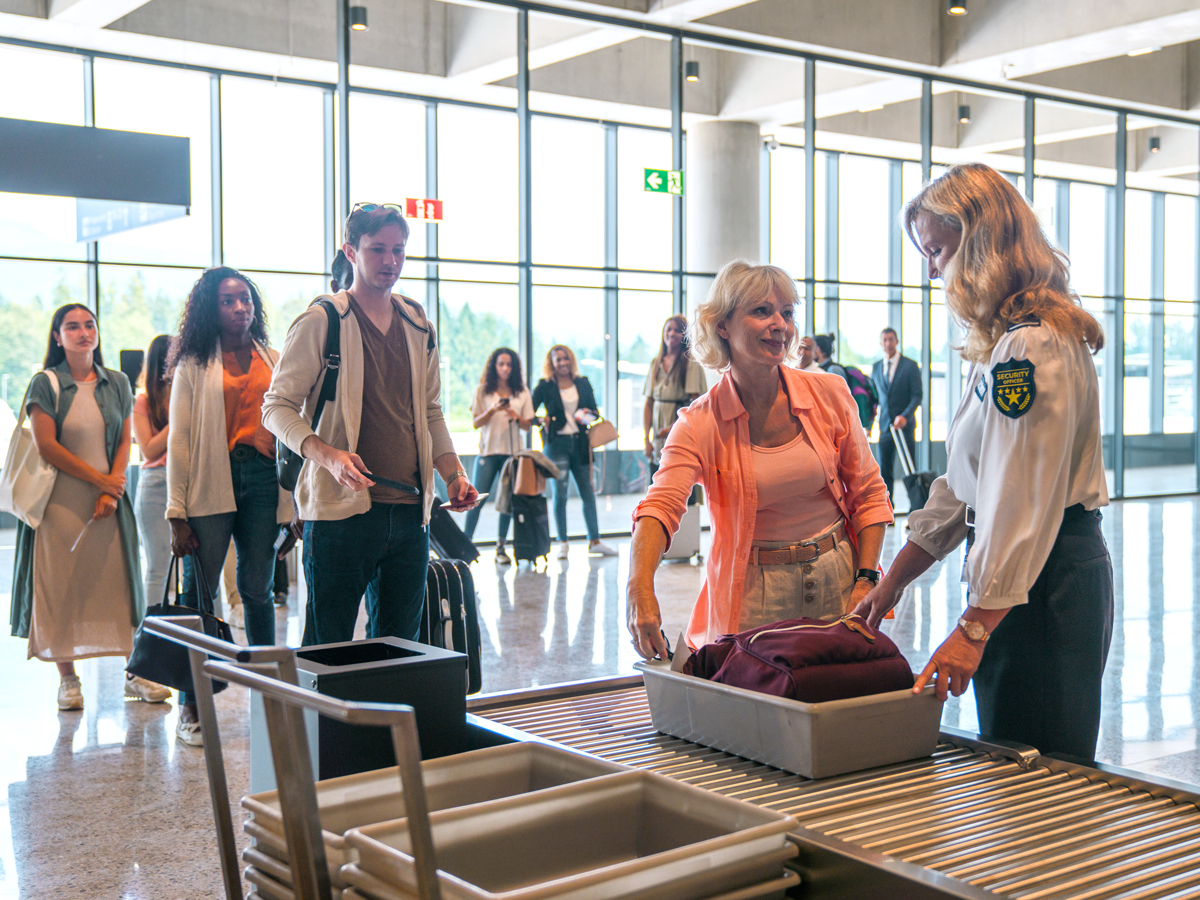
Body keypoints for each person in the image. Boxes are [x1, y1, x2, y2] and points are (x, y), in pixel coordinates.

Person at [855, 162, 1113, 760]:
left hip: (1043, 584)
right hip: (1021, 583)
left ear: (979, 244)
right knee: (1016, 762)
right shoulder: (1002, 343)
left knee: (1039, 773)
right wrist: (894, 580)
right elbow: (962, 486)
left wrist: (973, 630)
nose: (931, 269)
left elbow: (1019, 503)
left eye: (938, 250)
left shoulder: (1030, 343)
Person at [626, 261, 892, 660]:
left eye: (786, 313)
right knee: (758, 707)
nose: (780, 325)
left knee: (833, 703)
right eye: (762, 311)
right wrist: (639, 587)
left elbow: (869, 494)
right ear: (722, 326)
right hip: (753, 590)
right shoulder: (699, 422)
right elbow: (660, 506)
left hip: (838, 577)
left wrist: (867, 578)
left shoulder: (830, 393)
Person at [263, 202, 479, 648]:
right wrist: (329, 456)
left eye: (398, 250)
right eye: (377, 249)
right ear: (350, 251)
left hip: (410, 513)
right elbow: (277, 407)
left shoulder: (417, 324)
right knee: (330, 648)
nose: (390, 261)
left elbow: (430, 410)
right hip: (341, 515)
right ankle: (327, 722)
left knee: (399, 649)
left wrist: (453, 474)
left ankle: (389, 722)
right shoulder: (323, 320)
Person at [9, 304, 168, 710]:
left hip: (108, 499)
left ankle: (136, 672)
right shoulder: (44, 383)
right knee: (62, 585)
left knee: (117, 585)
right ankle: (68, 680)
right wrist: (101, 481)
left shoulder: (116, 382)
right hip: (60, 501)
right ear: (57, 336)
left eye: (89, 325)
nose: (83, 332)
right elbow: (47, 446)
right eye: (72, 327)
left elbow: (121, 443)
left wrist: (111, 490)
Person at [166, 267, 292, 746]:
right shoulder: (194, 365)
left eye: (245, 299)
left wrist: (295, 503)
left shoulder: (273, 358)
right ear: (209, 310)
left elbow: (290, 426)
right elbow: (180, 441)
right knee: (198, 597)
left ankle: (266, 693)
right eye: (228, 301)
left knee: (257, 588)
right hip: (210, 482)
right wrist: (176, 511)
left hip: (262, 481)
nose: (241, 308)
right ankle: (192, 705)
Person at [531, 345, 618, 560]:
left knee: (587, 493)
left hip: (580, 444)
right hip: (556, 445)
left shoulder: (582, 382)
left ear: (571, 360)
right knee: (559, 495)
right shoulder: (545, 386)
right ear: (551, 363)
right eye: (557, 360)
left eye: (565, 358)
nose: (562, 363)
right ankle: (562, 543)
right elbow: (528, 414)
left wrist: (586, 415)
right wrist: (542, 420)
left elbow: (595, 412)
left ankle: (594, 541)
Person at [465, 348, 534, 563]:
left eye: (509, 364)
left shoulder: (521, 392)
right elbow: (476, 423)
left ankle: (501, 547)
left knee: (507, 502)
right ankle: (464, 546)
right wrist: (493, 410)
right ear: (493, 366)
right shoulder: (482, 391)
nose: (505, 368)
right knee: (476, 501)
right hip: (488, 453)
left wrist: (516, 416)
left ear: (514, 368)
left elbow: (528, 425)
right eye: (501, 364)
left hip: (512, 454)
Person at [132, 334, 173, 607]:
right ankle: (152, 638)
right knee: (158, 567)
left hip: (192, 483)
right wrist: (180, 417)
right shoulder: (143, 401)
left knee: (203, 570)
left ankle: (207, 637)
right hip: (156, 484)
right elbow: (148, 449)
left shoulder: (195, 394)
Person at [642, 315, 706, 478]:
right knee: (657, 478)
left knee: (680, 474)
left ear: (685, 335)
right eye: (668, 329)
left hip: (681, 427)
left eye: (677, 330)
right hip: (658, 433)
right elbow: (648, 403)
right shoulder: (655, 363)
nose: (672, 333)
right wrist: (646, 439)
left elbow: (696, 404)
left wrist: (673, 427)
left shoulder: (690, 362)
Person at [871, 326, 922, 505]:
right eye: (884, 340)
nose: (888, 343)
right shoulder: (876, 367)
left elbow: (917, 395)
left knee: (910, 469)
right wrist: (870, 425)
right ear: (881, 343)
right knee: (885, 472)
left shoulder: (910, 366)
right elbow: (875, 398)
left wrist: (905, 416)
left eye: (891, 339)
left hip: (904, 427)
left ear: (897, 341)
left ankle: (914, 511)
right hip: (884, 427)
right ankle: (887, 509)